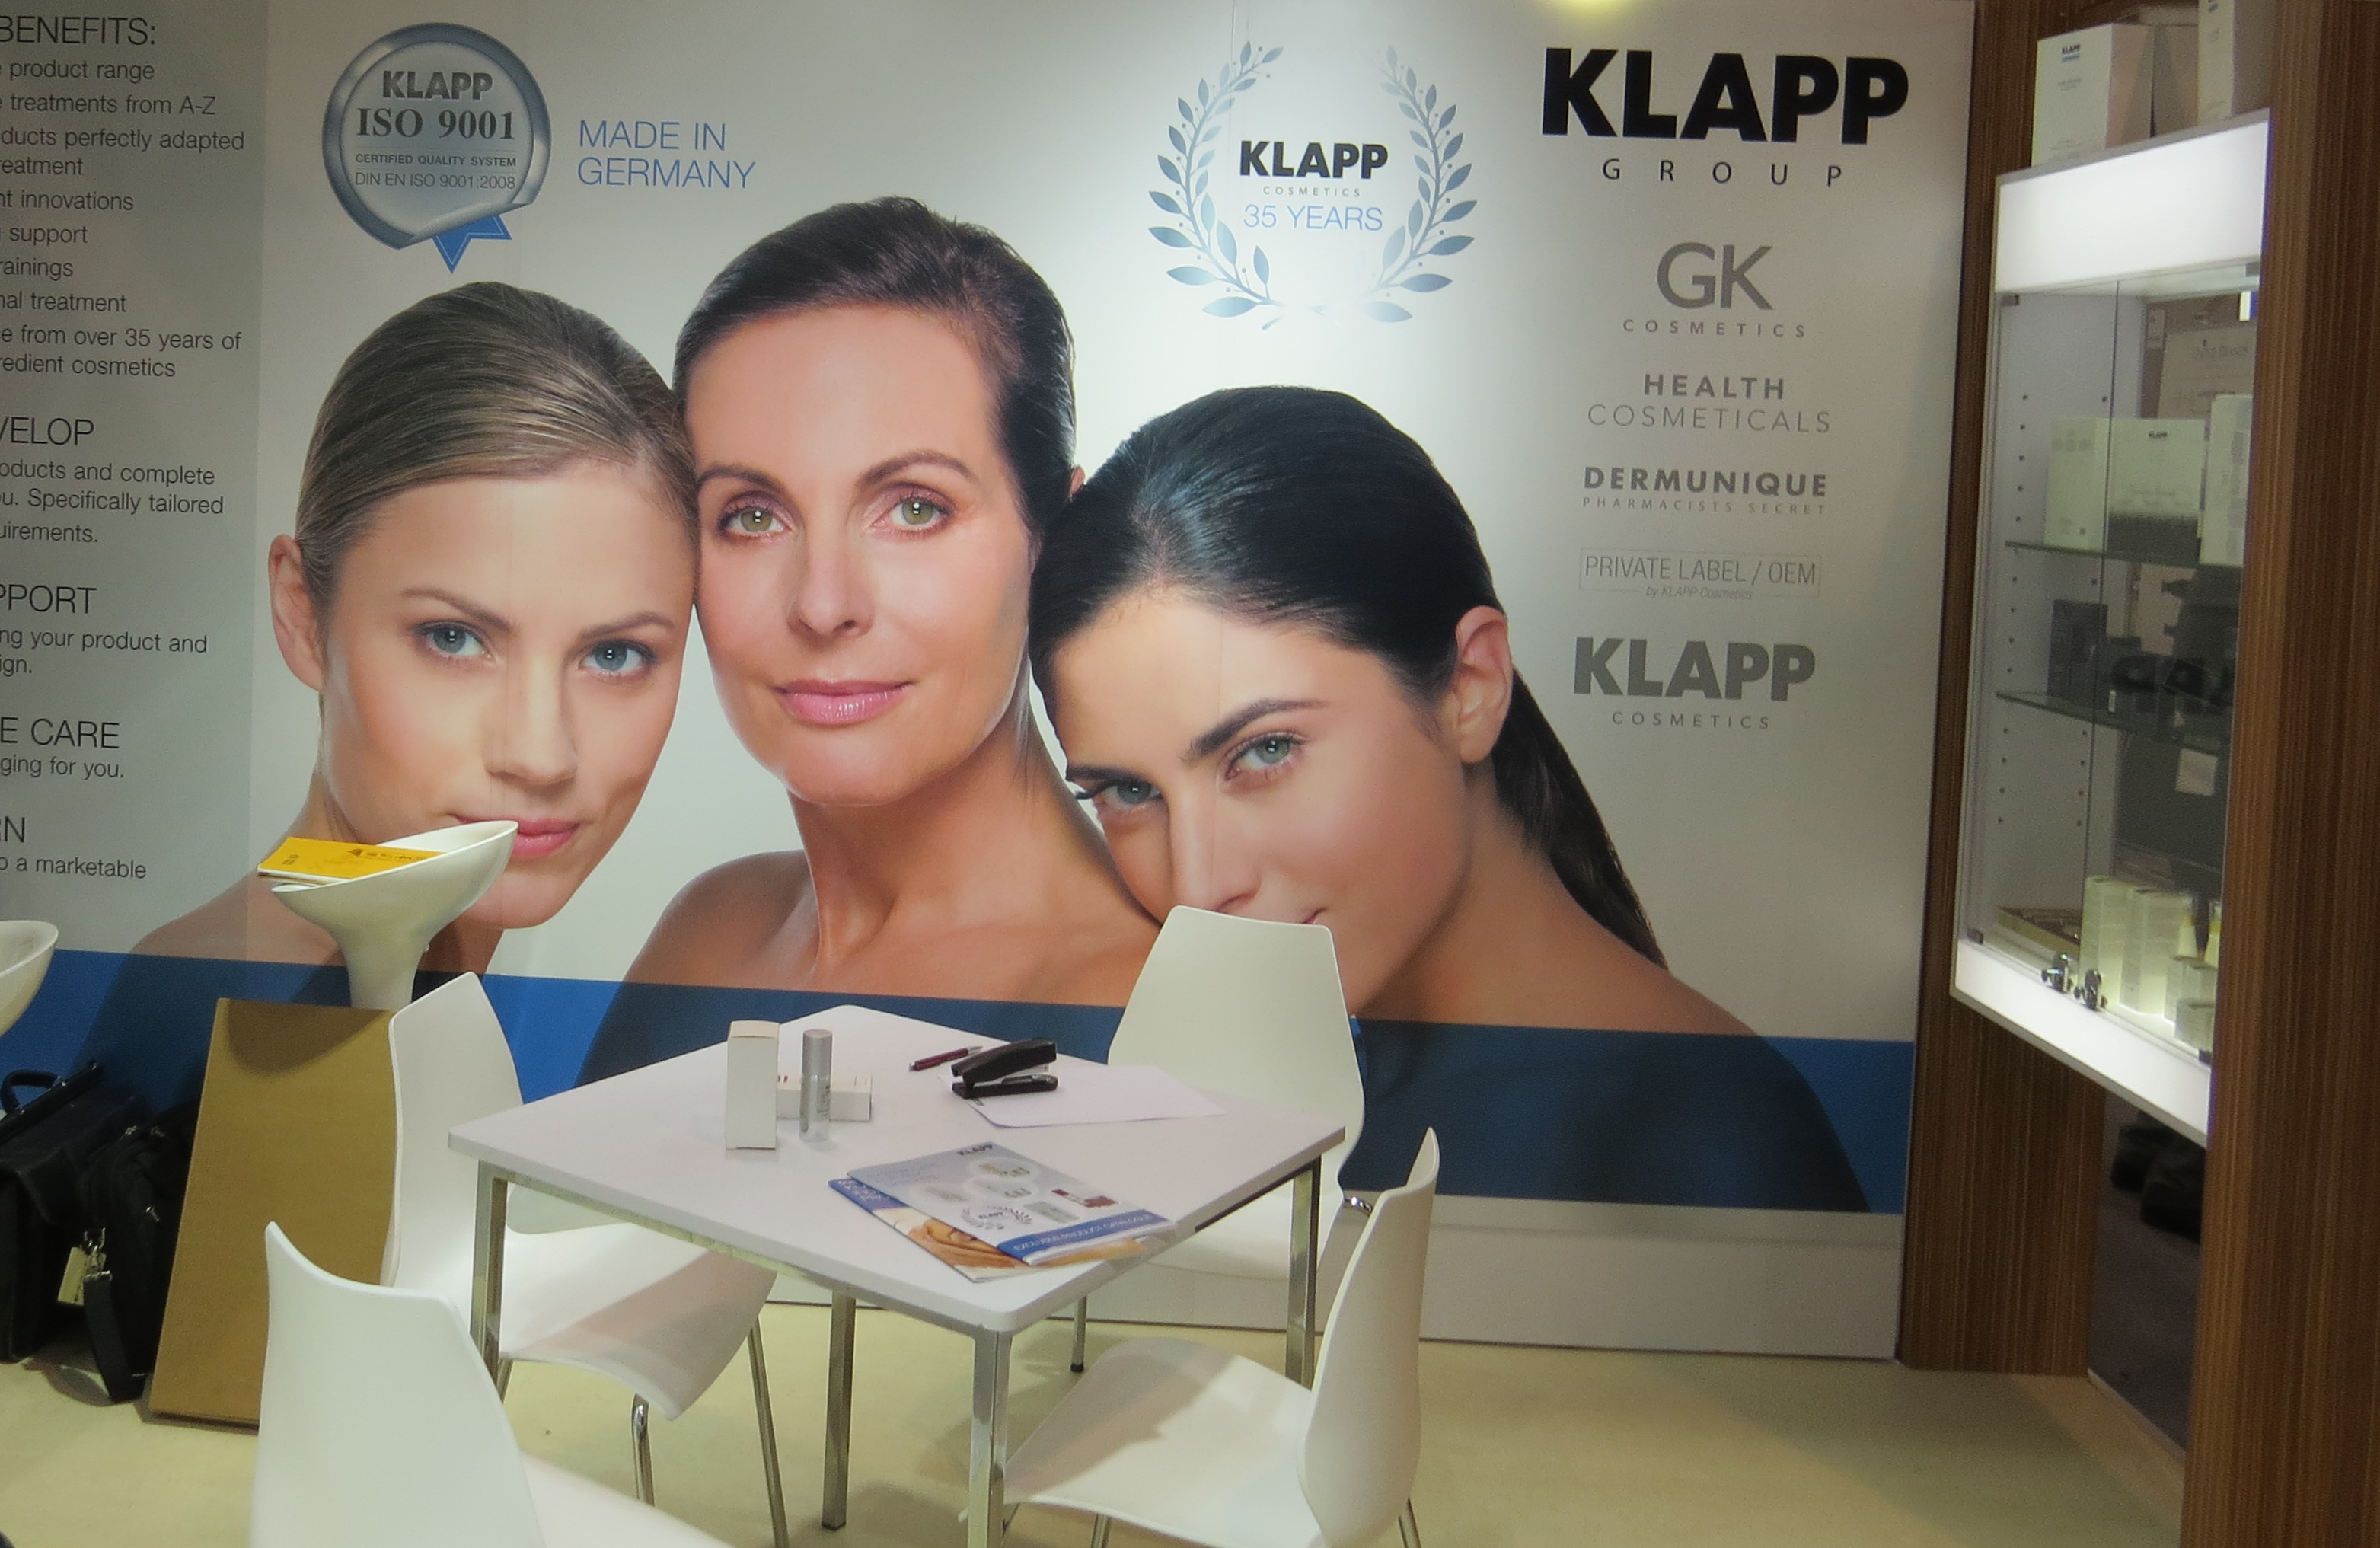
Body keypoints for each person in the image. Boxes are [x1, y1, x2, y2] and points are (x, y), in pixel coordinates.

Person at [1028, 385, 1865, 1212]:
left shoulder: (1704, 1144)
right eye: (1130, 791)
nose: (1199, 886)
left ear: (1470, 686)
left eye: (1266, 751)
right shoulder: (1295, 1082)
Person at [608, 199, 1158, 1020]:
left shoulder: (1162, 1012)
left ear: (1055, 538)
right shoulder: (706, 938)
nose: (823, 605)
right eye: (752, 517)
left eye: (914, 509)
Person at [132, 281, 697, 980]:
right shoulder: (227, 1012)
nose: (541, 757)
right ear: (303, 613)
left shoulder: (421, 985)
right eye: (453, 638)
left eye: (614, 655)